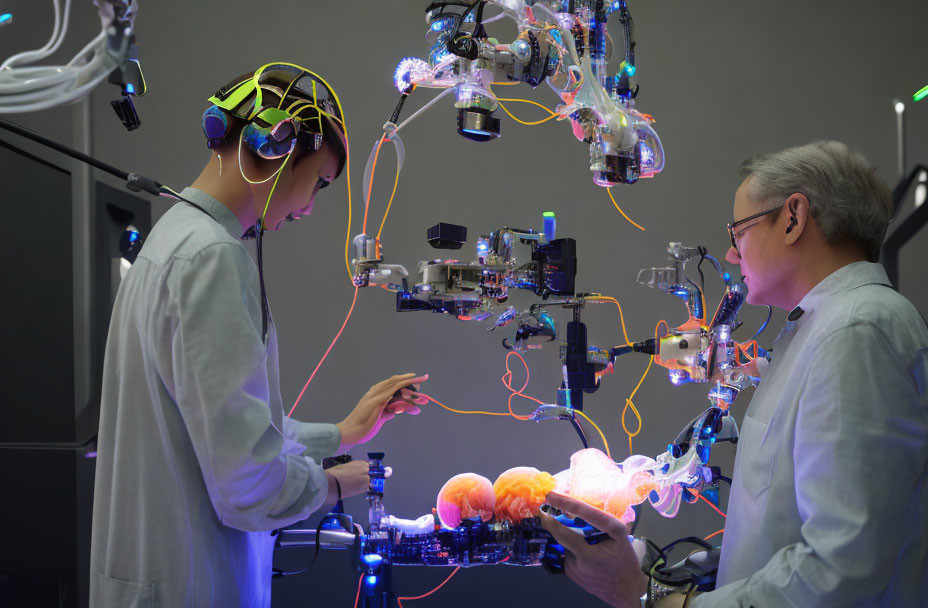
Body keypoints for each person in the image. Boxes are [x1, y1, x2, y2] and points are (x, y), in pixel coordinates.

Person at [89, 62, 428, 607]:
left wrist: (341, 434)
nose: (310, 207)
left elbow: (219, 425)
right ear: (275, 146)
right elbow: (246, 484)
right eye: (317, 182)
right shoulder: (213, 258)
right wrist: (337, 483)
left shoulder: (175, 238)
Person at [540, 140, 928, 607]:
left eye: (738, 231)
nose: (729, 254)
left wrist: (651, 599)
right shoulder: (821, 330)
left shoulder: (857, 331)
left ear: (793, 218)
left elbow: (842, 569)